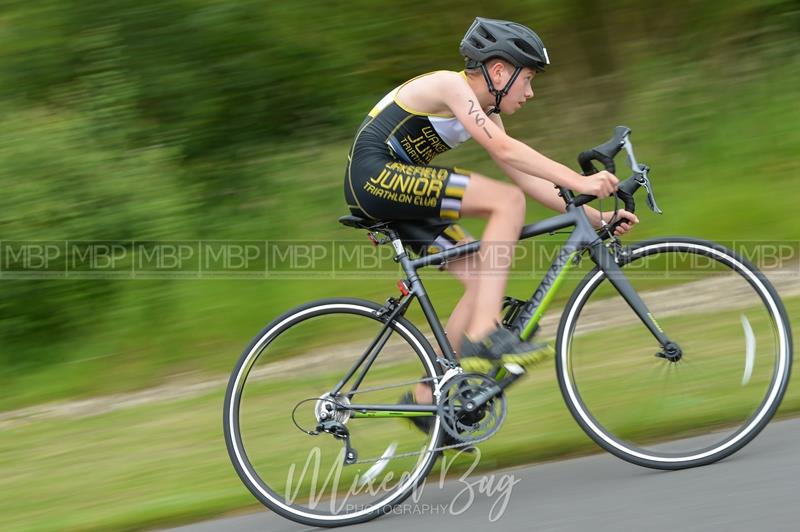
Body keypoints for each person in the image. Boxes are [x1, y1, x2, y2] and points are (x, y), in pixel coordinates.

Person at [343, 17, 638, 405]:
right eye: (528, 79)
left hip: (400, 187)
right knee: (505, 202)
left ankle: (427, 400)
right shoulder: (452, 86)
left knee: (484, 276)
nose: (530, 92)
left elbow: (525, 175)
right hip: (374, 177)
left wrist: (597, 219)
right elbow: (506, 153)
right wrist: (581, 180)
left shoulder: (485, 109)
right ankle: (484, 334)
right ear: (498, 71)